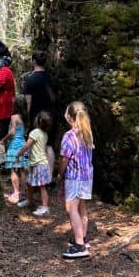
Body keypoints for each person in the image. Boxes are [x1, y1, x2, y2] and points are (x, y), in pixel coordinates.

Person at [58, 101, 94, 259]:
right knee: (82, 208)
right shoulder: (88, 133)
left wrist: (60, 174)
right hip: (87, 177)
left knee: (71, 209)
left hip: (74, 177)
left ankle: (80, 246)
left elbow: (64, 159)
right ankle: (83, 238)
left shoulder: (69, 136)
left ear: (69, 117)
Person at [23, 51, 57, 174]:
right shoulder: (51, 78)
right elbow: (53, 97)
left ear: (33, 61)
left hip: (36, 117)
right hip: (51, 115)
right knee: (49, 145)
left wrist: (27, 120)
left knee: (36, 145)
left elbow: (28, 103)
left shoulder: (30, 80)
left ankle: (38, 176)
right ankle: (49, 176)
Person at [15, 111, 53, 216]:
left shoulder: (35, 132)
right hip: (36, 163)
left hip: (39, 163)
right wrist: (26, 158)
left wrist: (18, 155)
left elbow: (27, 146)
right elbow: (32, 149)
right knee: (30, 183)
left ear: (38, 121)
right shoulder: (44, 134)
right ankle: (29, 200)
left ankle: (45, 207)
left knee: (41, 186)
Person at [0, 95, 30, 204]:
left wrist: (3, 140)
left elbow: (12, 132)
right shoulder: (26, 117)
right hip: (23, 145)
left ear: (15, 105)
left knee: (13, 170)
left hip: (14, 146)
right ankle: (22, 193)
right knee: (22, 170)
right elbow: (24, 132)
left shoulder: (14, 117)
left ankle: (16, 193)